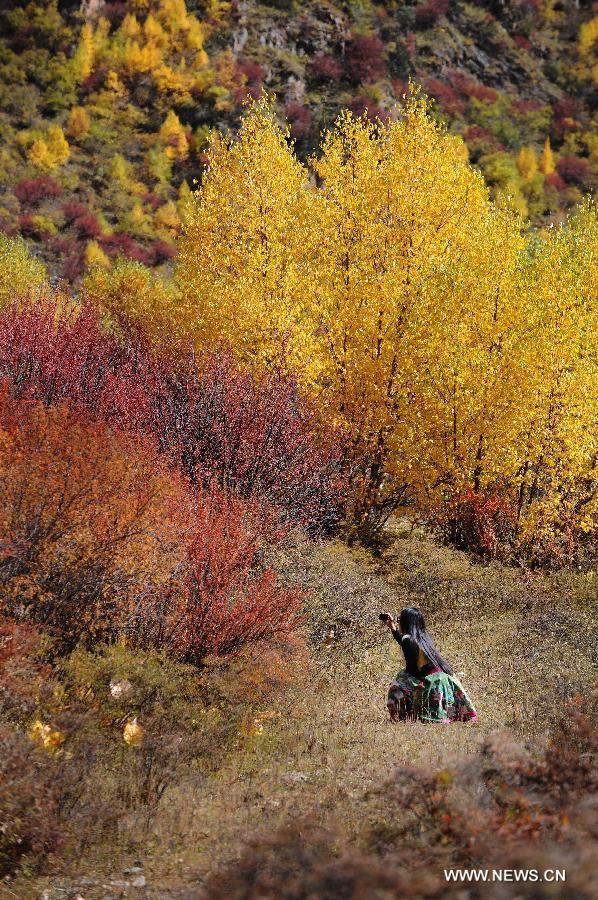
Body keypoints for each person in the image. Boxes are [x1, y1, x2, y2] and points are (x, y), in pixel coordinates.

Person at [382, 606, 477, 724]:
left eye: (399, 619)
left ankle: (401, 717)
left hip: (429, 683)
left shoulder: (408, 640)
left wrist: (407, 682)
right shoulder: (423, 636)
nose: (398, 622)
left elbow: (412, 671)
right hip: (441, 679)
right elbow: (406, 643)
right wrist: (393, 628)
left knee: (397, 685)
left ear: (406, 622)